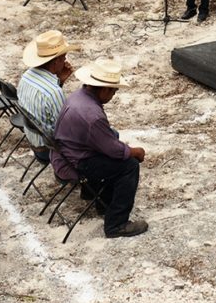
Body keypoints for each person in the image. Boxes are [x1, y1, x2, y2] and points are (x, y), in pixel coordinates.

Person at [51, 58, 148, 238]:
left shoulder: (78, 96)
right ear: (104, 89)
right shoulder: (92, 115)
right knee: (129, 165)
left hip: (65, 152)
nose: (113, 96)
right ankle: (116, 224)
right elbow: (115, 150)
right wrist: (135, 151)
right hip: (76, 161)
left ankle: (102, 202)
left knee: (114, 138)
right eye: (113, 91)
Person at [18, 30, 80, 162]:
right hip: (49, 150)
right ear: (56, 61)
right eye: (64, 57)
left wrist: (60, 81)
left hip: (34, 141)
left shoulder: (26, 76)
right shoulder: (53, 92)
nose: (65, 61)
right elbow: (64, 130)